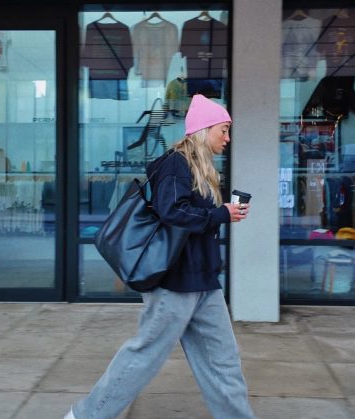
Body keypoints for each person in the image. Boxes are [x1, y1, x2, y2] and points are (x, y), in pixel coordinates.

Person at [65, 94, 255, 419]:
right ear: (204, 129)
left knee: (223, 361)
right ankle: (85, 416)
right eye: (223, 130)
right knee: (144, 356)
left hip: (204, 281)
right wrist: (220, 214)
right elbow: (172, 211)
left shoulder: (202, 168)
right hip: (174, 283)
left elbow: (190, 215)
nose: (227, 138)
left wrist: (223, 213)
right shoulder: (176, 163)